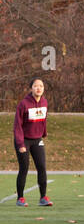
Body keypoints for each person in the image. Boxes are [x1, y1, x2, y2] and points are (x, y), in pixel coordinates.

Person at [14, 77, 52, 207]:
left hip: (37, 140)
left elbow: (44, 119)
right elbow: (17, 126)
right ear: (31, 88)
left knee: (42, 167)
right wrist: (20, 144)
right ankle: (20, 198)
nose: (38, 88)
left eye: (41, 86)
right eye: (36, 86)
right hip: (23, 140)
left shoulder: (45, 102)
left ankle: (43, 198)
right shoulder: (23, 104)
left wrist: (44, 133)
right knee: (24, 168)